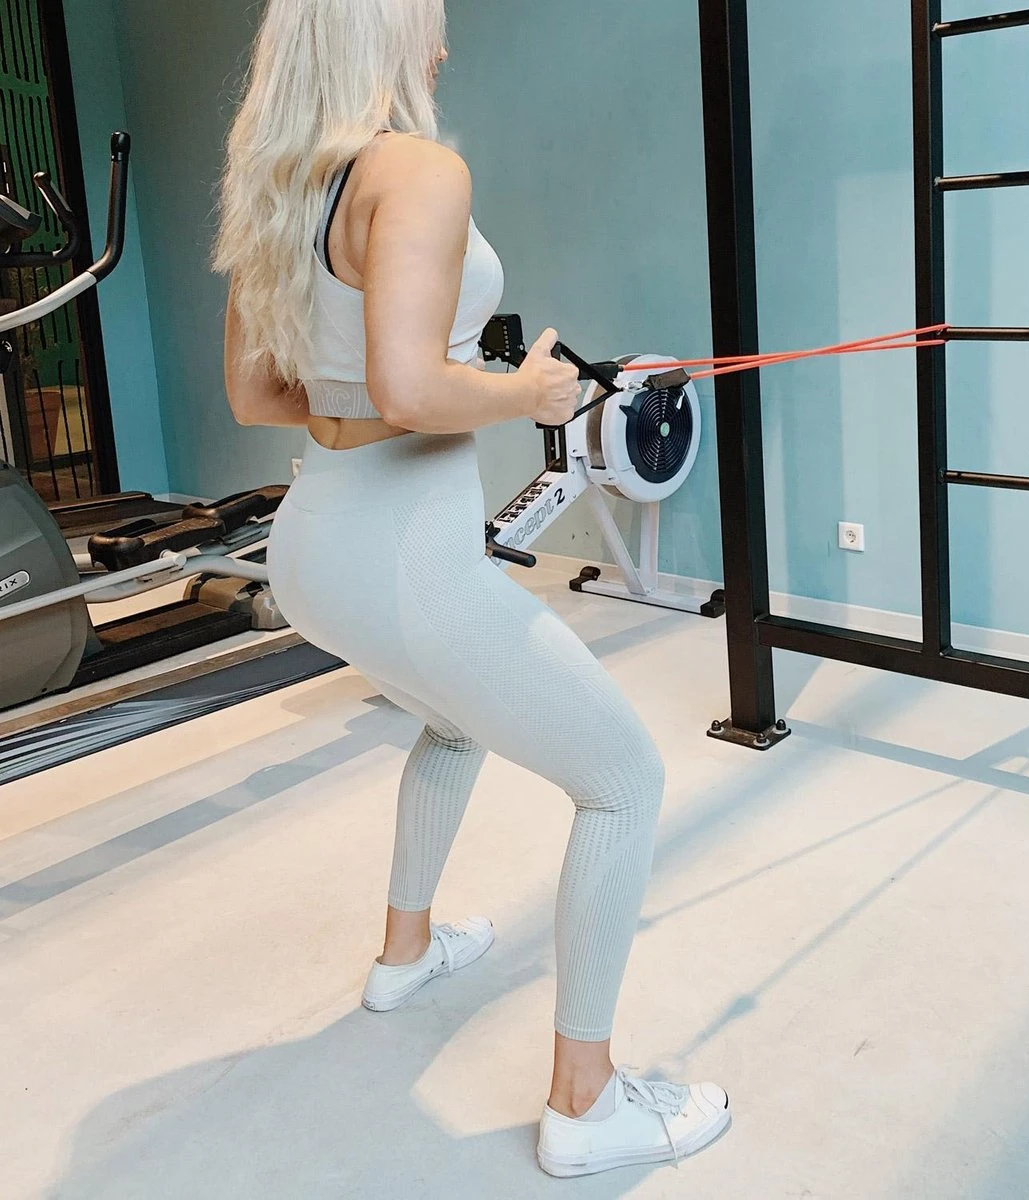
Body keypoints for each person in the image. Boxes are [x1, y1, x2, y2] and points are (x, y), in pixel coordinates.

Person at [215, 0, 729, 1178]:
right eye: (428, 23)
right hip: (407, 565)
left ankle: (407, 954)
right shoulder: (418, 169)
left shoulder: (277, 183)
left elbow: (259, 394)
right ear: (380, 32)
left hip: (316, 551)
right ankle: (587, 1107)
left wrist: (388, 396)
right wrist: (526, 395)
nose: (440, 49)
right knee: (625, 781)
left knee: (455, 724)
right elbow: (411, 384)